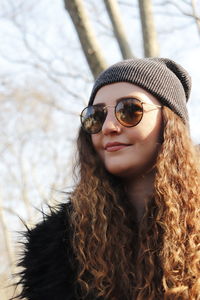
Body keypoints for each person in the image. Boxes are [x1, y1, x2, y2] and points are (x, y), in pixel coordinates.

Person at [13, 58, 200, 300]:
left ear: (169, 124)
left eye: (130, 110)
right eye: (97, 115)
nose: (109, 126)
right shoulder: (56, 250)